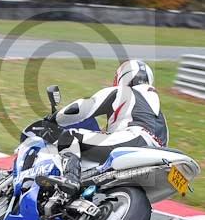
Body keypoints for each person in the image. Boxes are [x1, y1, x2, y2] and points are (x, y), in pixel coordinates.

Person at [36, 59, 168, 198]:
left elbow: (82, 108)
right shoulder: (159, 114)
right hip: (155, 153)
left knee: (71, 136)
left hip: (134, 139)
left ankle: (71, 178)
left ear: (124, 76)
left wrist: (54, 118)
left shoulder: (123, 91)